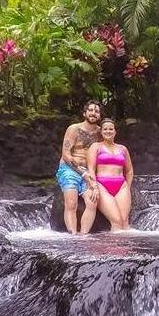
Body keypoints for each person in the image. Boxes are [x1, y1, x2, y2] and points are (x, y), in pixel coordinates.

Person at [56, 100, 103, 234]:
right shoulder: (73, 129)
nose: (93, 113)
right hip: (69, 169)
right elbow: (66, 154)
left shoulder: (101, 132)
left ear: (99, 116)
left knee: (92, 202)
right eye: (91, 110)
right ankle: (73, 235)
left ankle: (83, 236)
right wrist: (83, 174)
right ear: (85, 113)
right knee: (71, 204)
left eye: (97, 111)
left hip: (89, 171)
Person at [87, 118, 134, 231]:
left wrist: (127, 186)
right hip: (102, 185)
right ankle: (113, 248)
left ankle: (126, 249)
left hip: (121, 186)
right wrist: (94, 187)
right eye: (105, 129)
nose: (108, 131)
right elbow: (91, 169)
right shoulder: (95, 147)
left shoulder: (123, 149)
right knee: (116, 221)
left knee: (124, 221)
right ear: (101, 132)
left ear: (115, 131)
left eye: (111, 129)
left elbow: (129, 171)